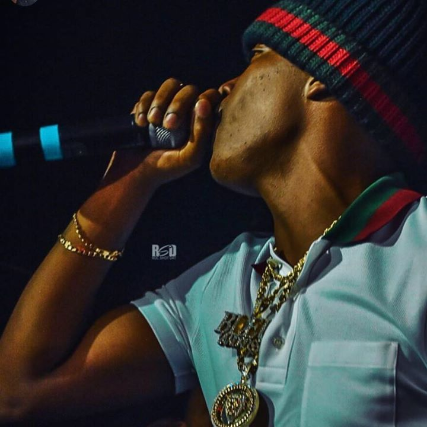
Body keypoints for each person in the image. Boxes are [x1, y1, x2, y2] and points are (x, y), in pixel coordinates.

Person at [0, 0, 426, 425]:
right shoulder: (216, 284)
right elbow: (20, 391)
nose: (223, 88)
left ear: (324, 72)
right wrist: (128, 183)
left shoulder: (417, 248)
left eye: (257, 56)